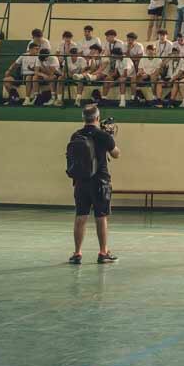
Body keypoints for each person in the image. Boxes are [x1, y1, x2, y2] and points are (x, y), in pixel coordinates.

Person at [66, 103, 120, 264]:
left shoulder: (76, 135)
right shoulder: (103, 135)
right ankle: (103, 252)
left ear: (83, 118)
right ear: (97, 118)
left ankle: (77, 253)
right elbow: (116, 154)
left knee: (80, 216)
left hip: (81, 181)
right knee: (101, 217)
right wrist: (111, 137)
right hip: (100, 181)